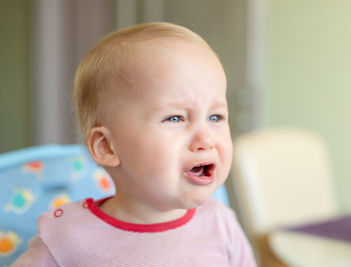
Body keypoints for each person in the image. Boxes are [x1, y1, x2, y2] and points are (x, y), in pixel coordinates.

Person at [12, 22, 256, 266]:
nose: (206, 140)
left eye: (215, 117)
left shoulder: (221, 224)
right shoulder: (66, 239)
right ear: (107, 147)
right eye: (175, 118)